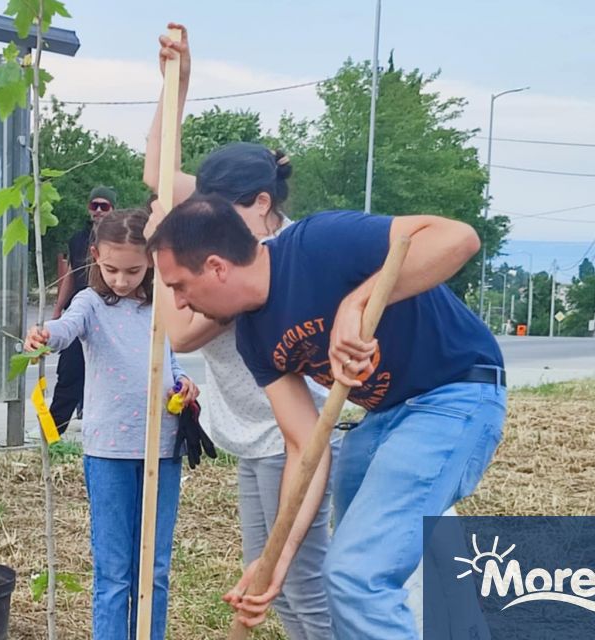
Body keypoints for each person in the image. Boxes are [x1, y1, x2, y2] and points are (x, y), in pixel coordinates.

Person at [148, 194, 507, 639]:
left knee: (358, 575)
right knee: (344, 582)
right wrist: (277, 557)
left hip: (455, 395)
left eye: (179, 285)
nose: (179, 304)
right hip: (384, 417)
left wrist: (355, 303)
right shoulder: (255, 337)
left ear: (217, 267)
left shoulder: (317, 243)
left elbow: (458, 237)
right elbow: (304, 444)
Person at [141, 25, 337, 639]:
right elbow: (157, 170)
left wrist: (158, 249)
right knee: (273, 589)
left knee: (299, 587)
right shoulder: (229, 226)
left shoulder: (260, 260)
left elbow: (182, 334)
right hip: (254, 434)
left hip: (290, 436)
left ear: (259, 203)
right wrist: (178, 82)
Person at [25, 208, 199, 640]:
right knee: (114, 572)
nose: (122, 280)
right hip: (109, 453)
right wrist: (44, 335)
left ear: (153, 261)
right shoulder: (90, 303)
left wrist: (184, 385)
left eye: (134, 270)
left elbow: (170, 363)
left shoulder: (162, 306)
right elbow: (65, 330)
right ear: (95, 257)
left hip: (162, 448)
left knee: (154, 570)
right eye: (111, 269)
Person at [49, 185, 116, 433]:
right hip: (80, 312)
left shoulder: (119, 240)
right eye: (94, 205)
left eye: (104, 206)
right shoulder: (79, 239)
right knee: (68, 371)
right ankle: (52, 429)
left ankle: (97, 423)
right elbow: (69, 274)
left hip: (108, 310)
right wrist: (57, 311)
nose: (98, 210)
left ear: (113, 209)